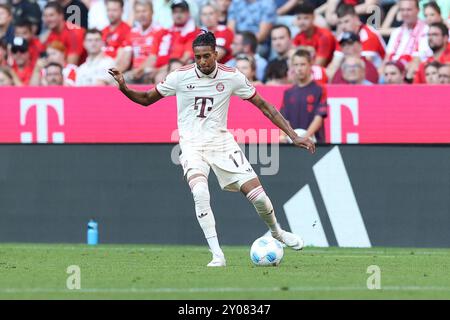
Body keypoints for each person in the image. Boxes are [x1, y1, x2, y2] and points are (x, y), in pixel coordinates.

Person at [108, 31, 315, 267]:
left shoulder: (232, 76)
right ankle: (217, 254)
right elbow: (146, 100)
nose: (203, 61)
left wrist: (292, 136)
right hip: (191, 144)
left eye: (207, 56)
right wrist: (124, 87)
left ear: (216, 54)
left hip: (221, 143)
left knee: (260, 199)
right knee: (200, 193)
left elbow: (265, 107)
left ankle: (277, 232)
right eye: (198, 57)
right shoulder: (179, 76)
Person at [279, 49, 328, 144]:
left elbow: (319, 118)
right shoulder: (288, 93)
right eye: (296, 65)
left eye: (303, 64)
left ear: (310, 65)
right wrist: (283, 136)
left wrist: (305, 137)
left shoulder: (319, 90)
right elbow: (284, 119)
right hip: (293, 143)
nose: (299, 68)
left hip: (314, 142)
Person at [335, 4, 386, 68]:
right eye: (340, 23)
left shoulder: (369, 35)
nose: (343, 26)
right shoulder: (342, 36)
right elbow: (335, 64)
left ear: (356, 19)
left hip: (378, 72)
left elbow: (365, 65)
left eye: (346, 21)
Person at [125, 0, 160, 83]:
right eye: (138, 12)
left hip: (149, 71)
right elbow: (125, 56)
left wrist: (139, 70)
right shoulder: (132, 32)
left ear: (152, 12)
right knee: (117, 81)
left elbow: (154, 58)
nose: (141, 15)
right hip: (134, 72)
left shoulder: (160, 31)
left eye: (144, 11)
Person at [292, 2, 337, 67]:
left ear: (313, 17)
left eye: (306, 18)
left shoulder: (324, 36)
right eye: (299, 18)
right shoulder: (298, 36)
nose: (302, 22)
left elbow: (319, 65)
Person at [41, 2, 86, 66]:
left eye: (51, 15)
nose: (48, 19)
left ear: (61, 16)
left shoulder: (74, 32)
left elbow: (71, 65)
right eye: (45, 16)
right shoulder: (50, 35)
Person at [102, 0, 132, 72]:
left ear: (122, 11)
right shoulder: (103, 31)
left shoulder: (127, 30)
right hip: (100, 67)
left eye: (114, 10)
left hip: (114, 69)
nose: (111, 13)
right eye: (108, 10)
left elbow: (124, 60)